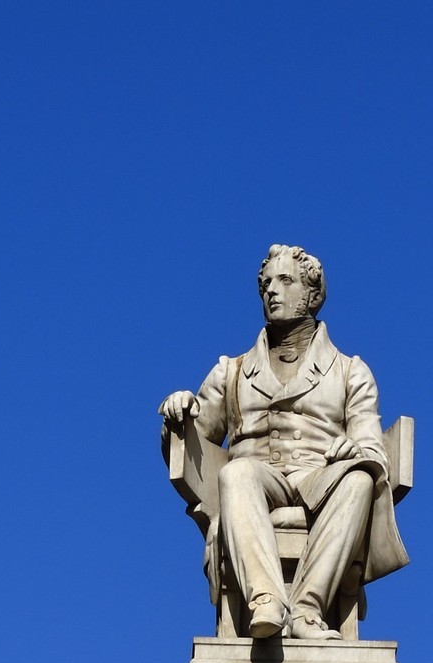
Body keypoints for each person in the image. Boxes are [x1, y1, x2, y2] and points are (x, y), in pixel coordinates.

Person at [159, 244, 408, 641]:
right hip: (259, 479)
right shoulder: (232, 370)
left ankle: (308, 611)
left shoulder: (349, 371)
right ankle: (266, 601)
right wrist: (179, 413)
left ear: (312, 295)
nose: (272, 291)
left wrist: (355, 452)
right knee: (236, 472)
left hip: (321, 481)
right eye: (266, 284)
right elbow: (193, 439)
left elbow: (371, 444)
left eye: (285, 281)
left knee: (360, 480)